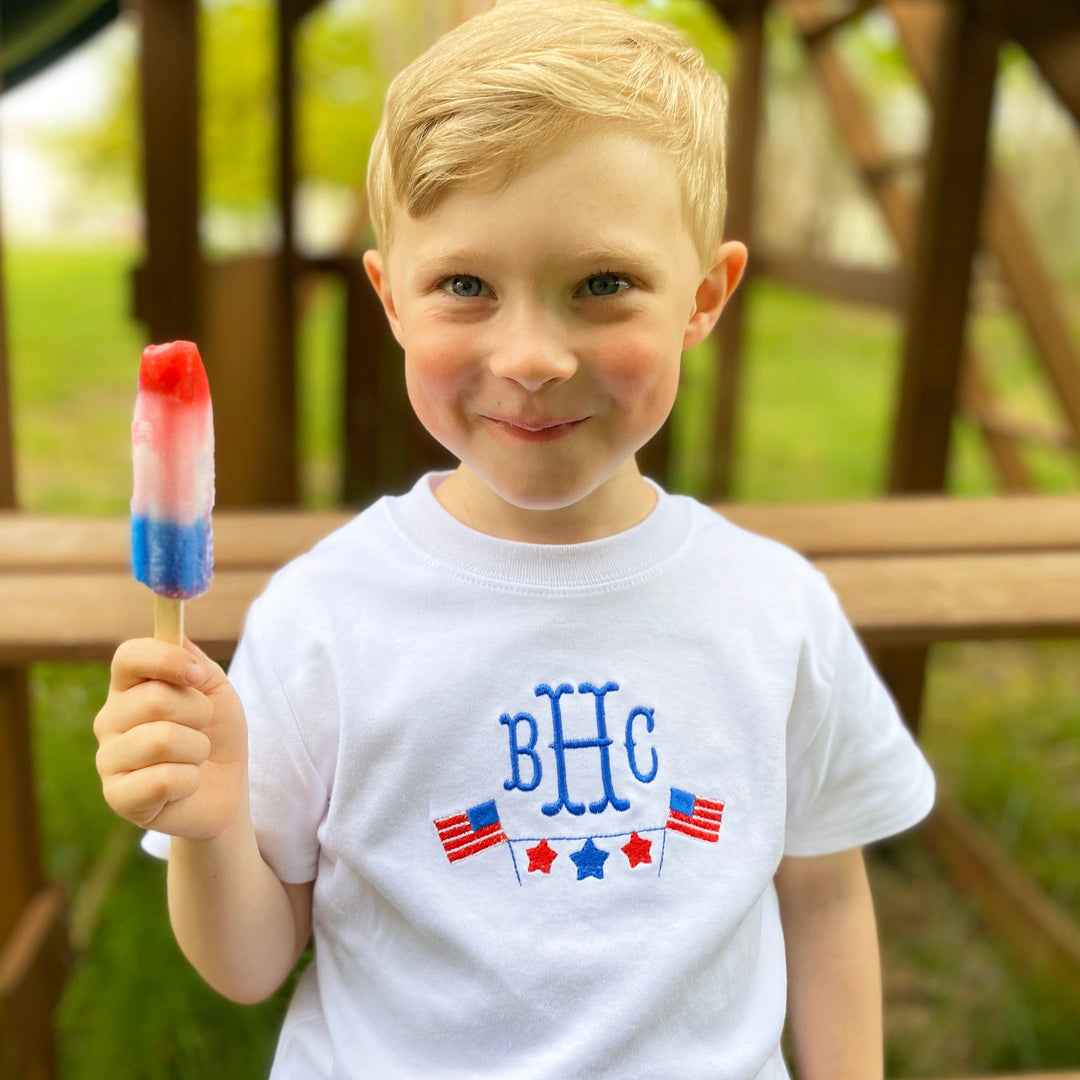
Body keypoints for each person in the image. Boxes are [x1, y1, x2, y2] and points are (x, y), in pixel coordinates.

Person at [94, 1, 935, 1076]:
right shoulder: (328, 614)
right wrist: (212, 831)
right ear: (390, 297)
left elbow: (821, 902)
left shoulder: (774, 608)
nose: (532, 354)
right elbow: (251, 965)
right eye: (465, 287)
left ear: (706, 295)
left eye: (601, 285)